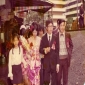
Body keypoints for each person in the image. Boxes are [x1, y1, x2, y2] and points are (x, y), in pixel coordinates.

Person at [39, 20, 59, 85]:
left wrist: (57, 64)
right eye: (49, 26)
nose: (51, 28)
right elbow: (40, 49)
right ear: (46, 28)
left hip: (54, 63)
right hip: (46, 63)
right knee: (46, 81)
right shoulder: (43, 38)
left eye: (52, 26)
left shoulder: (55, 38)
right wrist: (45, 50)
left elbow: (57, 51)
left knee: (54, 82)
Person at [56, 19, 73, 85]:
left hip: (66, 60)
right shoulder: (56, 36)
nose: (62, 27)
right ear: (58, 26)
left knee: (65, 79)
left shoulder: (68, 35)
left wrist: (70, 52)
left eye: (63, 25)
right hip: (58, 61)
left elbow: (71, 45)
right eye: (61, 25)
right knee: (58, 78)